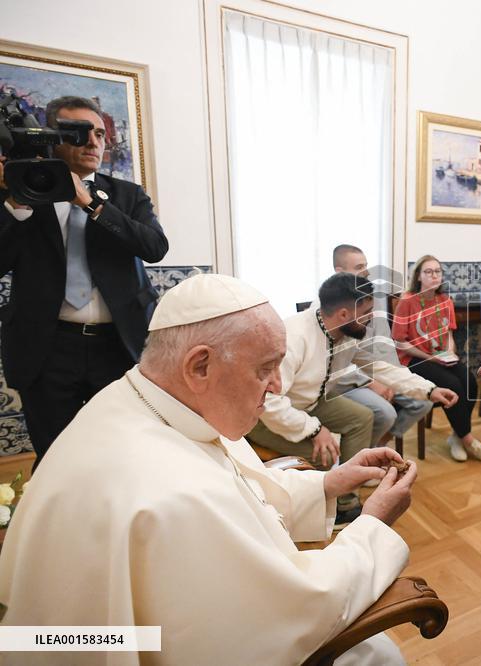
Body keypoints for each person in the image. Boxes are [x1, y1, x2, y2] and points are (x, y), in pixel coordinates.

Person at [0, 273, 417, 665]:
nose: (277, 386)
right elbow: (292, 611)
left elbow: (240, 487)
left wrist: (328, 483)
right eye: (265, 368)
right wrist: (374, 523)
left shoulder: (140, 401)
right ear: (199, 366)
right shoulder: (173, 491)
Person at [0, 95, 168, 468]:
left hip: (119, 346)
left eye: (100, 134)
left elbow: (155, 247)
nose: (92, 142)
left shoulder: (126, 195)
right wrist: (17, 204)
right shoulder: (21, 194)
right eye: (78, 133)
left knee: (125, 450)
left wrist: (91, 204)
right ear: (51, 138)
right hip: (46, 349)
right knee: (55, 457)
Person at [248, 272, 457, 525]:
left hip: (309, 403)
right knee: (324, 455)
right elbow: (269, 401)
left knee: (363, 417)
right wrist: (315, 430)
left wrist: (428, 390)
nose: (371, 317)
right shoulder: (295, 337)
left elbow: (380, 367)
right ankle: (320, 511)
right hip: (263, 417)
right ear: (344, 314)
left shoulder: (348, 333)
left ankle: (346, 498)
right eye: (367, 312)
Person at [393, 255, 481, 463]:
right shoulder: (407, 301)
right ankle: (469, 440)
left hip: (441, 357)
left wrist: (450, 352)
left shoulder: (445, 301)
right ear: (419, 276)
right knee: (453, 385)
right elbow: (400, 343)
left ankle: (457, 436)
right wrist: (431, 358)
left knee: (469, 381)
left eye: (437, 271)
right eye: (428, 271)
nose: (434, 275)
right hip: (414, 359)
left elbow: (449, 334)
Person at [332, 244, 433, 448]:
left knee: (423, 401)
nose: (366, 272)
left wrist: (391, 378)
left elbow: (384, 344)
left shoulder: (373, 298)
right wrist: (372, 382)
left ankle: (380, 444)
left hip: (377, 371)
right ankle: (361, 454)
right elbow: (337, 362)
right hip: (346, 380)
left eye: (366, 266)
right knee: (385, 412)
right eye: (359, 267)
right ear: (340, 272)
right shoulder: (331, 305)